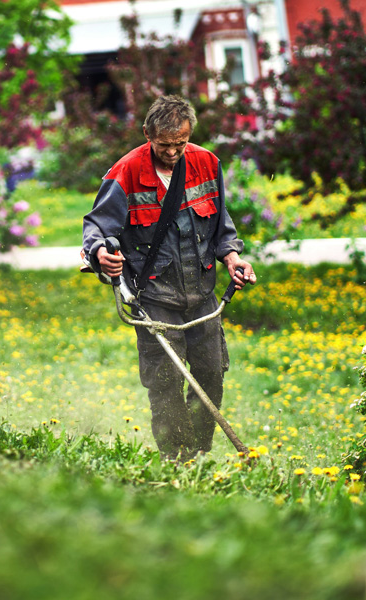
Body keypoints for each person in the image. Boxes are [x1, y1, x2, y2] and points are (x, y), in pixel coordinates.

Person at [82, 95, 256, 460]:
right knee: (166, 383)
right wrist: (102, 254)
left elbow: (222, 227)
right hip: (155, 299)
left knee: (210, 375)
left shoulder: (207, 163)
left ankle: (200, 453)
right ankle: (177, 459)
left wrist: (234, 259)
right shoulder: (126, 172)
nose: (174, 152)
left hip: (203, 294)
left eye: (181, 143)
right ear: (148, 134)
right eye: (165, 145)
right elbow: (97, 227)